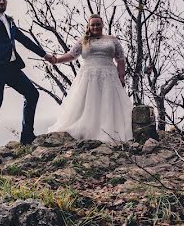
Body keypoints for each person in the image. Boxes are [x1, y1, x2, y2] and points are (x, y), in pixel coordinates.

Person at [0, 0, 56, 164]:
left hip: (12, 68)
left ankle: (27, 136)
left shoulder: (9, 21)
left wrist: (45, 55)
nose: (1, 2)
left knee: (32, 94)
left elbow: (24, 40)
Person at [47, 14, 133, 142]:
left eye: (98, 24)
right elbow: (72, 55)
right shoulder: (84, 40)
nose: (95, 27)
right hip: (88, 76)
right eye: (93, 25)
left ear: (102, 25)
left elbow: (120, 59)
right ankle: (87, 131)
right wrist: (57, 60)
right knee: (88, 103)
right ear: (89, 26)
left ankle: (109, 132)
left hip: (108, 75)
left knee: (108, 103)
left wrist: (121, 76)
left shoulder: (112, 39)